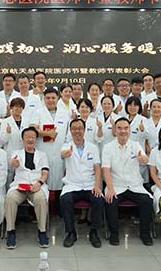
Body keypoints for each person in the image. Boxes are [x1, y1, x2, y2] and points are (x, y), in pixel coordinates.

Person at [102, 118, 154, 246]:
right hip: (116, 185)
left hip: (134, 185)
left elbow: (145, 159)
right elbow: (106, 170)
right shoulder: (108, 147)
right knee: (110, 200)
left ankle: (145, 233)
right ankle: (114, 233)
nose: (123, 131)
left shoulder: (135, 145)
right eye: (119, 128)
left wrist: (144, 159)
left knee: (147, 201)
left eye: (126, 128)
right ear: (115, 131)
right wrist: (110, 189)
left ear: (129, 130)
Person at [60, 119, 104, 248]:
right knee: (65, 199)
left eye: (80, 128)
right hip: (72, 185)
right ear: (70, 131)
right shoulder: (66, 146)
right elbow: (62, 154)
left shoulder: (92, 147)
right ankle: (71, 233)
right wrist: (66, 154)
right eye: (74, 128)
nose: (77, 131)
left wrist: (97, 186)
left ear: (84, 130)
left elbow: (97, 168)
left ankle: (94, 232)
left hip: (90, 184)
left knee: (98, 200)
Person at [4, 127, 50, 250]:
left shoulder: (42, 155)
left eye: (33, 137)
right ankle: (11, 232)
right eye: (27, 137)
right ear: (23, 139)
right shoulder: (16, 153)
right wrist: (13, 163)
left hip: (36, 186)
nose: (30, 139)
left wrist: (39, 183)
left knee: (41, 198)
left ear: (36, 139)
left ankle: (42, 232)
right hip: (20, 186)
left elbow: (45, 173)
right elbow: (12, 163)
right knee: (10, 198)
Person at [35, 88, 72, 191]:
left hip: (59, 151)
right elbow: (32, 130)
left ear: (57, 98)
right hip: (43, 150)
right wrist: (47, 133)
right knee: (42, 183)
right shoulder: (38, 112)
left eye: (53, 98)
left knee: (59, 182)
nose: (50, 100)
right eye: (48, 98)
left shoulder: (65, 113)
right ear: (44, 99)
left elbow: (68, 134)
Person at [0, 98, 33, 183]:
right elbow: (1, 141)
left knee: (23, 175)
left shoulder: (27, 122)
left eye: (20, 107)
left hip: (23, 152)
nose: (18, 109)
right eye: (16, 106)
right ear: (11, 108)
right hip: (10, 152)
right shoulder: (5, 122)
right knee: (9, 176)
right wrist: (7, 133)